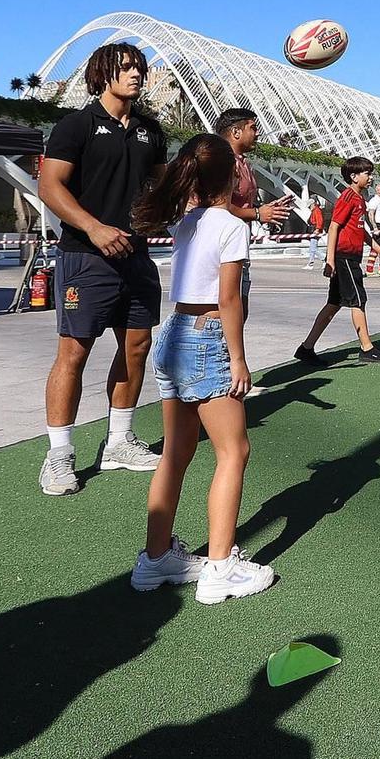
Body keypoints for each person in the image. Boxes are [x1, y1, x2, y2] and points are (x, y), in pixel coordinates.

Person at [130, 133, 274, 605]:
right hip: (207, 339)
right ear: (231, 176)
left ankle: (155, 560)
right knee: (234, 452)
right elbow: (229, 298)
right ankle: (219, 568)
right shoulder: (231, 225)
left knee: (176, 452)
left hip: (173, 333)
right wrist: (238, 357)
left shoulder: (187, 222)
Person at [36, 43, 169, 498]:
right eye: (125, 68)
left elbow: (161, 185)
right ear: (101, 74)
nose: (135, 75)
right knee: (73, 353)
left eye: (139, 68)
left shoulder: (152, 131)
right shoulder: (76, 125)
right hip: (85, 255)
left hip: (136, 256)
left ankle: (119, 443)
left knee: (137, 346)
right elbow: (49, 186)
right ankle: (58, 454)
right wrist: (93, 228)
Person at [294, 157, 380, 365]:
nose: (371, 177)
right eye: (367, 173)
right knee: (358, 300)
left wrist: (377, 248)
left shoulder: (360, 199)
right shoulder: (348, 197)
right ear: (354, 176)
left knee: (334, 303)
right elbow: (333, 227)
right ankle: (367, 348)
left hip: (350, 257)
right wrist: (330, 260)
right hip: (344, 258)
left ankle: (306, 348)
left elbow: (361, 230)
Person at [212, 107, 293, 323]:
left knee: (240, 312)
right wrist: (258, 213)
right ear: (236, 132)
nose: (257, 133)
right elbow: (219, 206)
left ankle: (230, 356)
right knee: (225, 315)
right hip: (222, 248)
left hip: (240, 246)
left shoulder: (244, 163)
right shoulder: (223, 161)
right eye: (253, 128)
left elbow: (239, 204)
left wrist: (266, 209)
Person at [304, 198, 326, 270]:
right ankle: (311, 263)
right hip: (314, 231)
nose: (309, 208)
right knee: (312, 248)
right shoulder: (315, 211)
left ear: (312, 204)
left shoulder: (316, 211)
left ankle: (324, 259)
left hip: (315, 231)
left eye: (309, 206)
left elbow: (320, 220)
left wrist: (317, 229)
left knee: (313, 249)